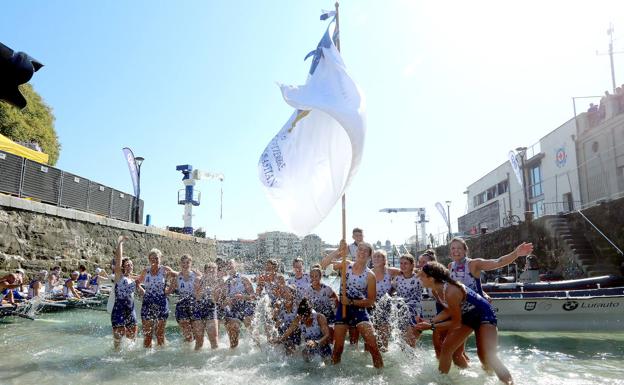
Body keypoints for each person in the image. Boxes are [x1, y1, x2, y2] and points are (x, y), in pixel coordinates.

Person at [416, 262, 513, 385]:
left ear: (432, 278)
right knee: (447, 348)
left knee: (488, 355)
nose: (420, 278)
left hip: (484, 314)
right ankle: (441, 381)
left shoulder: (451, 291)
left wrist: (431, 326)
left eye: (423, 276)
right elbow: (448, 310)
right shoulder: (435, 291)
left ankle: (507, 382)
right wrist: (431, 321)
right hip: (467, 317)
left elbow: (456, 323)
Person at [446, 238, 533, 367]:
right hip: (463, 315)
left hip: (480, 313)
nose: (456, 251)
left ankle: (490, 377)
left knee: (484, 356)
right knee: (456, 355)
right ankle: (467, 377)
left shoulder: (474, 264)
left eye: (459, 248)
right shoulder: (450, 267)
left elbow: (497, 262)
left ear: (465, 251)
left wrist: (516, 253)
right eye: (453, 248)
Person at [320, 240, 383, 368]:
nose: (362, 252)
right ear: (356, 252)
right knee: (338, 349)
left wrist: (351, 301)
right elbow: (323, 265)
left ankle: (380, 376)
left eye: (366, 250)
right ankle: (334, 376)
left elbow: (371, 301)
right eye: (360, 249)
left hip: (359, 310)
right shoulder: (346, 265)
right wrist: (338, 250)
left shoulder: (370, 276)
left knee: (373, 347)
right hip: (343, 309)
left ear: (369, 255)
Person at [137, 248, 177, 348]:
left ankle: (161, 355)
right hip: (147, 303)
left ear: (160, 258)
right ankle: (146, 356)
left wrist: (169, 289)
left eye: (156, 258)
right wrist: (141, 290)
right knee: (147, 334)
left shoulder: (165, 269)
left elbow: (178, 276)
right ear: (149, 259)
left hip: (161, 303)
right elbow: (137, 281)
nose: (154, 260)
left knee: (159, 334)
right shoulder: (145, 271)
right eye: (152, 258)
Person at [274, 298, 332, 363]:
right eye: (301, 317)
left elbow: (327, 335)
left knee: (327, 363)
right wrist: (279, 340)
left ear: (310, 314)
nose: (303, 320)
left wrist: (316, 342)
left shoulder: (319, 317)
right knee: (303, 353)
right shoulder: (299, 318)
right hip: (309, 348)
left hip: (323, 346)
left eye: (305, 318)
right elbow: (288, 332)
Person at [111, 236, 143, 351]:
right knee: (118, 342)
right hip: (118, 309)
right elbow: (118, 259)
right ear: (123, 267)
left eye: (131, 264)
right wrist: (120, 243)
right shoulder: (119, 276)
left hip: (130, 310)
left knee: (132, 340)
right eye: (128, 264)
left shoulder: (134, 280)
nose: (130, 266)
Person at [370, 249, 400, 351]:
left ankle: (385, 357)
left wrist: (394, 287)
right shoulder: (368, 272)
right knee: (372, 334)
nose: (377, 258)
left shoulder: (390, 271)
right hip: (371, 304)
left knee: (383, 334)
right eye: (375, 256)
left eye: (380, 256)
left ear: (384, 260)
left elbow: (407, 272)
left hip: (386, 304)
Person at [222, 258, 255, 348]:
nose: (229, 266)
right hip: (233, 308)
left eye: (231, 264)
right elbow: (222, 302)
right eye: (227, 265)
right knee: (233, 327)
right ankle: (233, 350)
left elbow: (253, 296)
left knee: (249, 323)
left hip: (245, 305)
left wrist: (243, 296)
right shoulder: (226, 283)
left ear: (236, 266)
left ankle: (257, 348)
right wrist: (226, 301)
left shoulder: (244, 279)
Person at [392, 253, 424, 347]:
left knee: (410, 340)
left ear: (412, 265)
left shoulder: (418, 277)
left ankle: (413, 360)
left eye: (405, 263)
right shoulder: (398, 278)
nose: (403, 266)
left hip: (414, 310)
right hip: (401, 309)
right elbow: (392, 289)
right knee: (402, 341)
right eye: (401, 263)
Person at [305, 264, 337, 343]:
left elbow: (336, 300)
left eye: (316, 276)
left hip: (329, 315)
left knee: (330, 329)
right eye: (312, 276)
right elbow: (306, 306)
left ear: (320, 277)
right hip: (317, 316)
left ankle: (330, 346)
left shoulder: (327, 288)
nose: (314, 278)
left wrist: (337, 313)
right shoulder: (308, 291)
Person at [171, 254, 199, 343]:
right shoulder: (177, 277)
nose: (185, 265)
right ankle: (187, 349)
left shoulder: (196, 275)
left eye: (187, 262)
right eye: (183, 263)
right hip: (182, 305)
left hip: (194, 304)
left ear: (191, 264)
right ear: (180, 264)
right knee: (186, 329)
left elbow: (206, 285)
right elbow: (168, 291)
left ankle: (195, 350)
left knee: (196, 333)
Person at [192, 262, 220, 350]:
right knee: (199, 341)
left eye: (213, 270)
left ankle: (216, 361)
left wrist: (213, 288)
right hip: (198, 309)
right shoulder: (198, 280)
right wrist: (204, 284)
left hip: (211, 309)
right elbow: (197, 297)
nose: (211, 272)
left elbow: (215, 300)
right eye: (209, 269)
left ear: (216, 272)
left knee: (214, 340)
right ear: (205, 272)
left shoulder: (218, 282)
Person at [272, 284, 300, 354]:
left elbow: (296, 323)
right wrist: (275, 316)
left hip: (295, 330)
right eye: (284, 292)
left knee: (289, 346)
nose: (285, 294)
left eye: (287, 292)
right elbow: (275, 321)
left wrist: (281, 339)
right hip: (284, 329)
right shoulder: (279, 304)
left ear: (293, 294)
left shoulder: (298, 305)